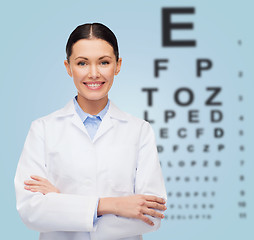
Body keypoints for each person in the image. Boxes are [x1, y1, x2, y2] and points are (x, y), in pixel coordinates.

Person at [14, 23, 167, 240]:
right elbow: (31, 211)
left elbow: (152, 216)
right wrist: (111, 205)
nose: (93, 73)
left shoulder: (139, 131)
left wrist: (61, 204)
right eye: (82, 63)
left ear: (118, 65)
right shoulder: (43, 129)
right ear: (68, 67)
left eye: (104, 62)